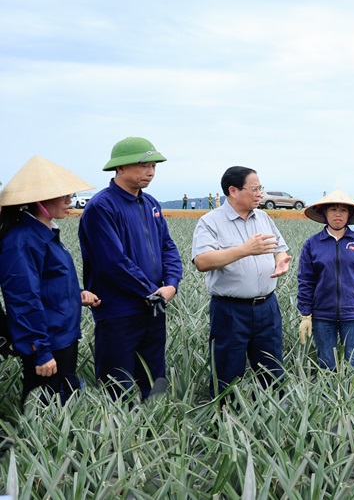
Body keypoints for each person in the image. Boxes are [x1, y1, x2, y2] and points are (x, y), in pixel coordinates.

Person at [79, 137, 183, 400]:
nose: (150, 172)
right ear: (120, 167)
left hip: (154, 307)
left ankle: (155, 421)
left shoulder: (151, 204)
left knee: (154, 379)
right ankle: (118, 427)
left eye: (154, 166)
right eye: (144, 165)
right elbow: (112, 262)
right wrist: (150, 291)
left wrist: (171, 284)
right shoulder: (101, 207)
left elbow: (168, 247)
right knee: (117, 383)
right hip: (118, 310)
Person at [0, 156, 101, 407]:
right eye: (63, 196)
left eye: (71, 195)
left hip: (62, 335)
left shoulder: (46, 232)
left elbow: (48, 283)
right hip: (48, 341)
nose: (70, 201)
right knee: (44, 411)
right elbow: (23, 299)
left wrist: (77, 294)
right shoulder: (22, 239)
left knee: (63, 406)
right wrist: (40, 351)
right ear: (39, 201)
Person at [191, 166, 291, 395]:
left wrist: (281, 262)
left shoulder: (263, 217)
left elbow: (280, 249)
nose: (260, 194)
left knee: (273, 370)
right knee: (227, 373)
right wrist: (245, 250)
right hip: (230, 310)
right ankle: (224, 415)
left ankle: (274, 414)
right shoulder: (210, 222)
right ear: (233, 190)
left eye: (260, 188)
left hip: (267, 307)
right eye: (254, 189)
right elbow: (202, 261)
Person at [296, 189, 354, 370]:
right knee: (326, 363)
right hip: (322, 314)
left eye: (343, 210)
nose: (338, 214)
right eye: (333, 209)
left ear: (349, 215)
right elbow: (306, 280)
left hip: (353, 312)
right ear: (324, 213)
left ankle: (353, 390)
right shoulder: (312, 244)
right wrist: (305, 314)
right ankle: (328, 389)